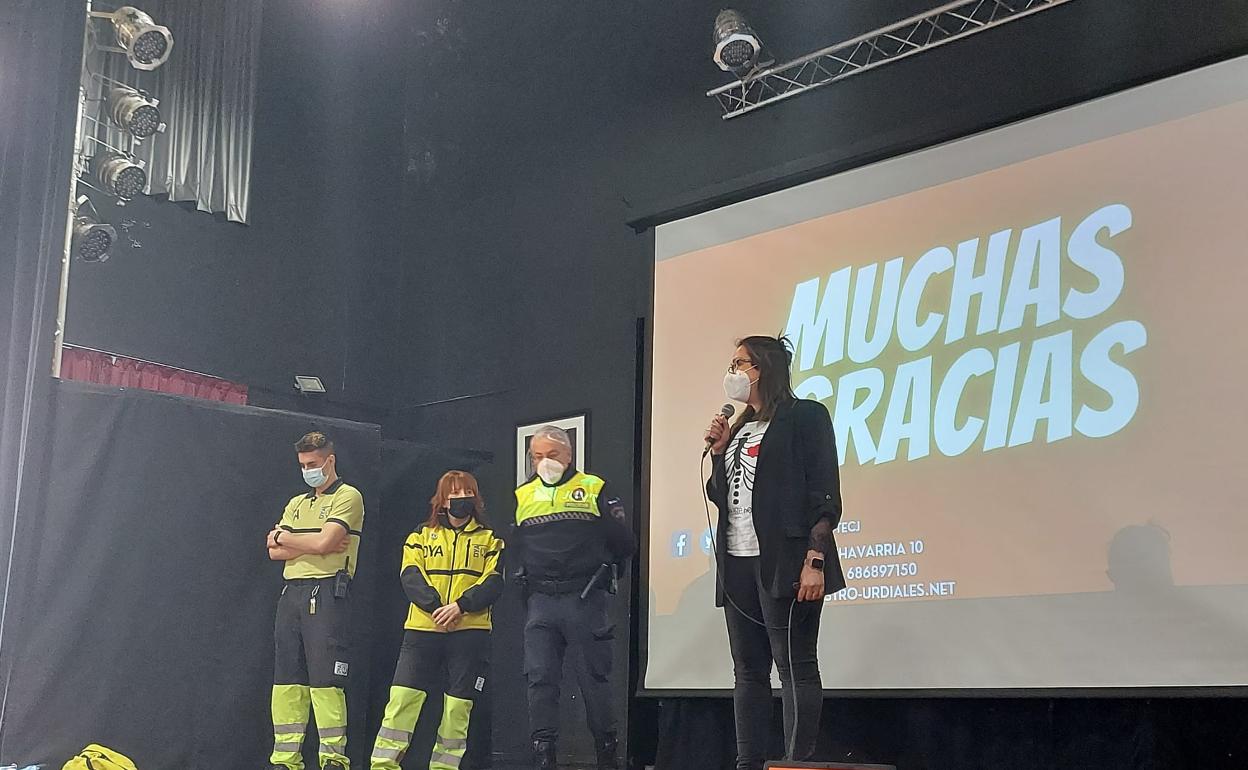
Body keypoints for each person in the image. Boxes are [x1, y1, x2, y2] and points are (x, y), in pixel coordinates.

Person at [703, 335, 845, 770]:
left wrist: (814, 559)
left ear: (762, 368)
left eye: (739, 362)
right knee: (747, 672)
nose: (733, 371)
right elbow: (720, 494)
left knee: (794, 665)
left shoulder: (805, 416)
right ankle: (749, 762)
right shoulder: (741, 426)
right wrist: (719, 453)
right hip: (737, 562)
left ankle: (794, 764)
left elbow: (825, 495)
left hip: (787, 561)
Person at [512, 426, 636, 770]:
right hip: (540, 600)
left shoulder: (594, 488)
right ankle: (543, 757)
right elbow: (516, 548)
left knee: (593, 680)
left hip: (584, 597)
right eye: (537, 456)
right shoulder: (523, 495)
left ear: (569, 455)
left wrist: (603, 576)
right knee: (539, 680)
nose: (544, 462)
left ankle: (607, 757)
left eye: (552, 455)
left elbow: (624, 543)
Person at [369, 470, 505, 770]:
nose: (460, 499)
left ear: (476, 497)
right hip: (421, 630)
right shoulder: (419, 535)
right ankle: (383, 765)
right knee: (402, 700)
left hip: (470, 631)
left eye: (466, 493)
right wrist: (435, 608)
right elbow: (410, 575)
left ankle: (444, 767)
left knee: (458, 708)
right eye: (453, 494)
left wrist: (460, 606)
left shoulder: (491, 539)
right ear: (441, 500)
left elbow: (493, 582)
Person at [265, 431, 365, 770]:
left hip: (326, 593)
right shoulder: (297, 502)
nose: (309, 470)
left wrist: (288, 538)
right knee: (287, 678)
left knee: (325, 680)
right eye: (303, 465)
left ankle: (333, 758)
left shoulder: (348, 497)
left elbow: (327, 545)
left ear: (330, 460)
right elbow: (273, 550)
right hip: (291, 594)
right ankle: (285, 759)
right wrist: (299, 539)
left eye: (314, 464)